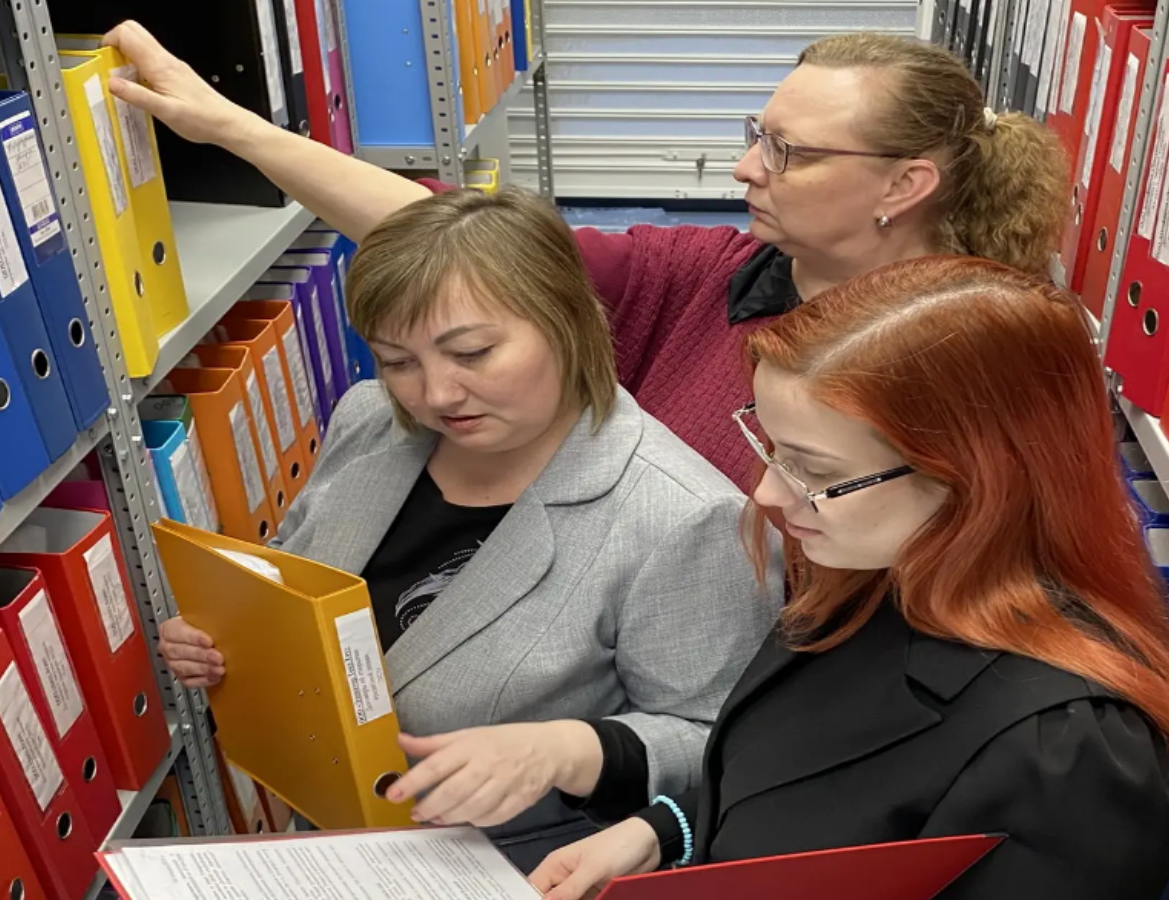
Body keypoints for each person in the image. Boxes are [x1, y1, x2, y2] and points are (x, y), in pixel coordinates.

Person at [528, 257, 1169, 900]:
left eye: (815, 470)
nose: (768, 494)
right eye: (772, 448)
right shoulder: (872, 573)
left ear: (975, 478)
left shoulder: (1069, 752)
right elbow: (804, 794)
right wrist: (666, 831)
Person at [103, 23, 1071, 485]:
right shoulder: (715, 276)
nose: (745, 167)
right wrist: (233, 129)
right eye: (756, 134)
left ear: (906, 186)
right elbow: (459, 235)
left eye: (788, 151)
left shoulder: (980, 357)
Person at [156, 188, 782, 871]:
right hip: (333, 837)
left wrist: (566, 750)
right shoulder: (369, 419)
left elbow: (718, 744)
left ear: (568, 321)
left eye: (473, 353)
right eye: (398, 361)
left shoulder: (684, 517)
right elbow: (295, 568)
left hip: (520, 870)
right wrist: (230, 632)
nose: (436, 395)